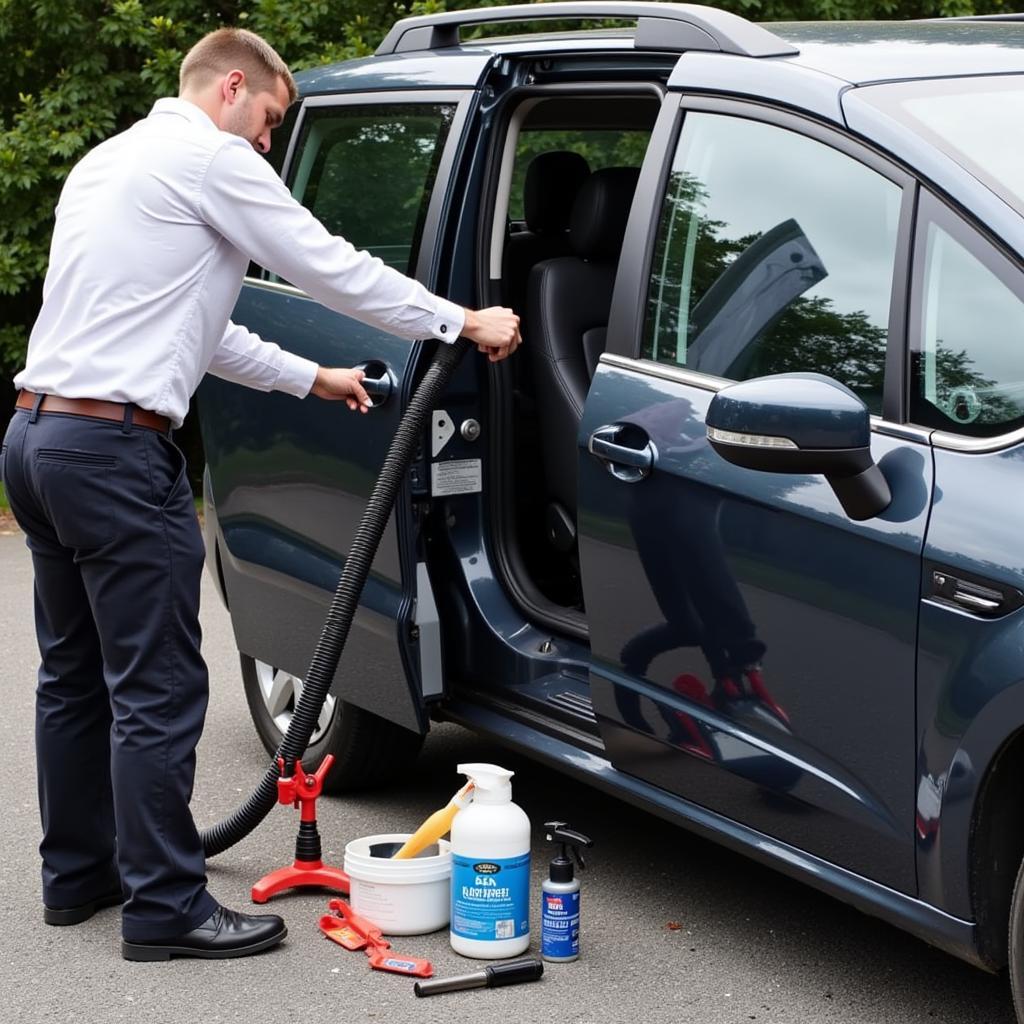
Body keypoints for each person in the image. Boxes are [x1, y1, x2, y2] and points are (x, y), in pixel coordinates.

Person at [0, 27, 520, 963]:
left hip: (41, 440)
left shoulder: (110, 161)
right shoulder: (210, 159)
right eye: (272, 122)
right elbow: (329, 267)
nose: (270, 146)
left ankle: (78, 877)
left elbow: (189, 330)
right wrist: (460, 318)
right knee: (156, 687)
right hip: (115, 457)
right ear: (232, 86)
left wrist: (310, 378)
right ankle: (166, 905)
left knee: (72, 677)